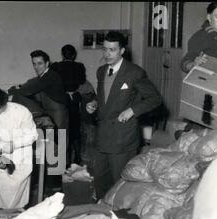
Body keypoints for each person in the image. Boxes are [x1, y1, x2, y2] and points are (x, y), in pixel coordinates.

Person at [86, 31, 162, 200]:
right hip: (103, 136)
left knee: (120, 185)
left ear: (122, 51)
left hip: (123, 137)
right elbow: (105, 97)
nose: (107, 54)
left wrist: (132, 111)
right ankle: (101, 215)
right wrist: (95, 104)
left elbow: (155, 99)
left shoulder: (135, 72)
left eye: (112, 50)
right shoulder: (101, 71)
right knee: (100, 180)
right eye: (105, 49)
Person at [51, 44, 87, 165]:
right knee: (75, 128)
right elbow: (82, 81)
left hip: (62, 99)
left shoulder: (56, 66)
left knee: (62, 130)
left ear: (62, 54)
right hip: (75, 100)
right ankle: (77, 158)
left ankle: (65, 161)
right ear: (74, 55)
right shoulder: (79, 66)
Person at [181, 2, 217, 73]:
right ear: (209, 17)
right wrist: (194, 64)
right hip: (206, 80)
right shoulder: (201, 36)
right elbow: (184, 63)